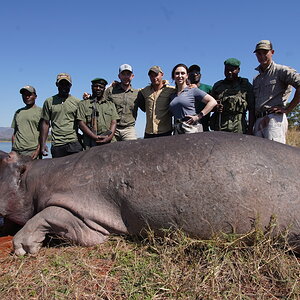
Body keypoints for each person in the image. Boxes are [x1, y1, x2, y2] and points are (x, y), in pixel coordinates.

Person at [253, 40, 300, 143]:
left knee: (274, 155)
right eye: (259, 54)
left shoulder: (282, 71)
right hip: (258, 121)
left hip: (274, 120)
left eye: (265, 53)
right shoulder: (256, 78)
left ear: (272, 52)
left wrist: (288, 109)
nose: (262, 56)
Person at [39, 73, 83, 158]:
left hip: (73, 143)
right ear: (57, 84)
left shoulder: (77, 102)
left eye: (67, 84)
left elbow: (81, 122)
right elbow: (46, 123)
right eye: (61, 84)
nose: (64, 86)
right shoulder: (49, 101)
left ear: (70, 86)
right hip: (57, 144)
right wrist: (43, 143)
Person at [210, 58, 255, 134]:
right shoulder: (218, 86)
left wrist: (250, 129)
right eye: (226, 70)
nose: (229, 72)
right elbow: (210, 106)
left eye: (232, 70)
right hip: (220, 127)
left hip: (239, 128)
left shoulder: (245, 85)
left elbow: (252, 109)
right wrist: (216, 107)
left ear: (238, 70)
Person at [169, 63, 217, 134]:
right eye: (177, 73)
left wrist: (198, 116)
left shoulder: (193, 90)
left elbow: (213, 102)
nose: (180, 76)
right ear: (173, 76)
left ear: (187, 76)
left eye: (182, 73)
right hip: (178, 129)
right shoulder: (173, 95)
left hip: (192, 128)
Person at [77, 78, 119, 149]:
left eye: (101, 87)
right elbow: (81, 123)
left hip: (109, 142)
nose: (98, 88)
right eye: (95, 86)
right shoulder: (83, 104)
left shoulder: (110, 104)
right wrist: (95, 137)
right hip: (90, 143)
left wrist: (109, 138)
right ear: (91, 87)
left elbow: (114, 122)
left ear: (104, 88)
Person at [103, 64, 139, 141]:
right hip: (112, 127)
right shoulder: (110, 90)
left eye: (128, 74)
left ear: (132, 76)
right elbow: (100, 101)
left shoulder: (138, 93)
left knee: (133, 149)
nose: (126, 77)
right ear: (119, 76)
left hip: (129, 129)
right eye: (123, 74)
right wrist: (88, 97)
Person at [137, 66, 175, 138]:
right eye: (151, 76)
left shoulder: (171, 90)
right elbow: (131, 91)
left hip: (165, 132)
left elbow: (183, 89)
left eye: (156, 75)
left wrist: (192, 85)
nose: (154, 78)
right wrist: (117, 85)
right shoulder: (144, 91)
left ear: (162, 74)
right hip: (149, 133)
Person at [11, 85, 42, 158]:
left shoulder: (41, 112)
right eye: (24, 95)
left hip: (32, 151)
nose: (27, 97)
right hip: (17, 151)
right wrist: (13, 150)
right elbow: (15, 133)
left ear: (35, 96)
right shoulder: (18, 112)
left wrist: (38, 150)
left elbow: (44, 134)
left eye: (29, 95)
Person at [188, 64, 213, 131]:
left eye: (197, 72)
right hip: (188, 125)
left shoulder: (208, 88)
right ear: (188, 75)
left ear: (200, 75)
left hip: (204, 125)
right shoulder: (184, 89)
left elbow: (214, 104)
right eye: (192, 73)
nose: (195, 74)